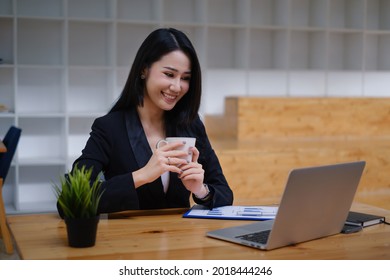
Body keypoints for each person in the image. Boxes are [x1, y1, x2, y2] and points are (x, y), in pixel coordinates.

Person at [59, 28, 233, 215]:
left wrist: (200, 190)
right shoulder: (109, 127)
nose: (176, 86)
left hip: (182, 240)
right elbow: (69, 199)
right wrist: (141, 176)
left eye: (185, 78)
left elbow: (225, 194)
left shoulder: (191, 125)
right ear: (144, 70)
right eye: (169, 74)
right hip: (130, 241)